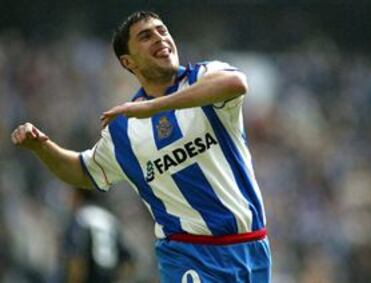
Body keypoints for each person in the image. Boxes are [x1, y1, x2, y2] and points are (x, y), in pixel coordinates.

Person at [11, 11, 272, 282]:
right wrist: (41, 148)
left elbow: (236, 83)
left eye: (162, 31)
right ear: (128, 62)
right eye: (146, 37)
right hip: (191, 254)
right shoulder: (124, 130)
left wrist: (153, 106)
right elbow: (83, 171)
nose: (160, 38)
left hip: (252, 247)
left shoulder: (205, 76)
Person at [58, 189, 135, 283]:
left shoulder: (80, 218)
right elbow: (128, 261)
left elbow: (77, 259)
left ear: (77, 195)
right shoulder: (109, 218)